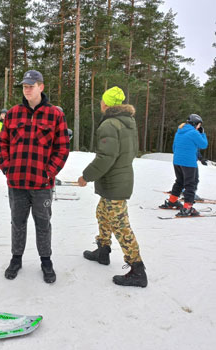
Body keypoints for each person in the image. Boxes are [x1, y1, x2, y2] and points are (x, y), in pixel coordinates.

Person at [0, 70, 70, 283]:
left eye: (31, 85)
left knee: (43, 223)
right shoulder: (13, 113)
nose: (27, 89)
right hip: (17, 182)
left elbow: (62, 148)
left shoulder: (55, 114)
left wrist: (49, 172)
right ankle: (16, 258)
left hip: (42, 184)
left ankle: (46, 260)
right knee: (17, 222)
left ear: (41, 87)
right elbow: (2, 142)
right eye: (25, 86)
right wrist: (7, 167)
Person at [78, 86, 147, 288]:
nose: (100, 103)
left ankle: (137, 269)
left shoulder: (109, 124)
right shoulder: (128, 121)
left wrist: (86, 176)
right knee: (102, 213)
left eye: (102, 100)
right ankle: (103, 250)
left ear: (106, 104)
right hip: (119, 178)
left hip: (115, 182)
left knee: (120, 225)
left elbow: (106, 158)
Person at [159, 114, 208, 216]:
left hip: (177, 161)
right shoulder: (194, 133)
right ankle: (187, 208)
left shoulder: (179, 131)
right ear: (196, 124)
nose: (199, 126)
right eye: (199, 124)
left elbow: (174, 147)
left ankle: (172, 201)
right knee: (191, 184)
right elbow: (203, 144)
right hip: (188, 162)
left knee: (180, 181)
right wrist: (202, 133)